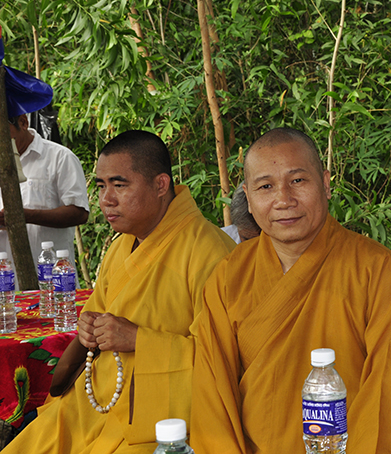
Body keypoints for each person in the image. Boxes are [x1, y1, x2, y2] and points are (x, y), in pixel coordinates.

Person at [4, 130, 236, 453]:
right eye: (101, 186)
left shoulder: (209, 252)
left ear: (161, 185)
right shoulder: (121, 246)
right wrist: (88, 329)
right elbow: (95, 314)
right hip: (94, 405)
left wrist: (139, 339)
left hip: (161, 421)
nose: (106, 199)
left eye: (119, 185)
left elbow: (226, 361)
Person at [190, 128, 391, 453]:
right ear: (248, 199)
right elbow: (212, 398)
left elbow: (389, 398)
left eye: (297, 180)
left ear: (325, 184)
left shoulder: (375, 270)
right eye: (266, 186)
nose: (284, 199)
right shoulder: (229, 276)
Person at [0, 113, 89, 270]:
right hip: (5, 277)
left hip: (51, 276)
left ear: (23, 122)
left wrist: (26, 216)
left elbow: (79, 212)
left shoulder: (60, 157)